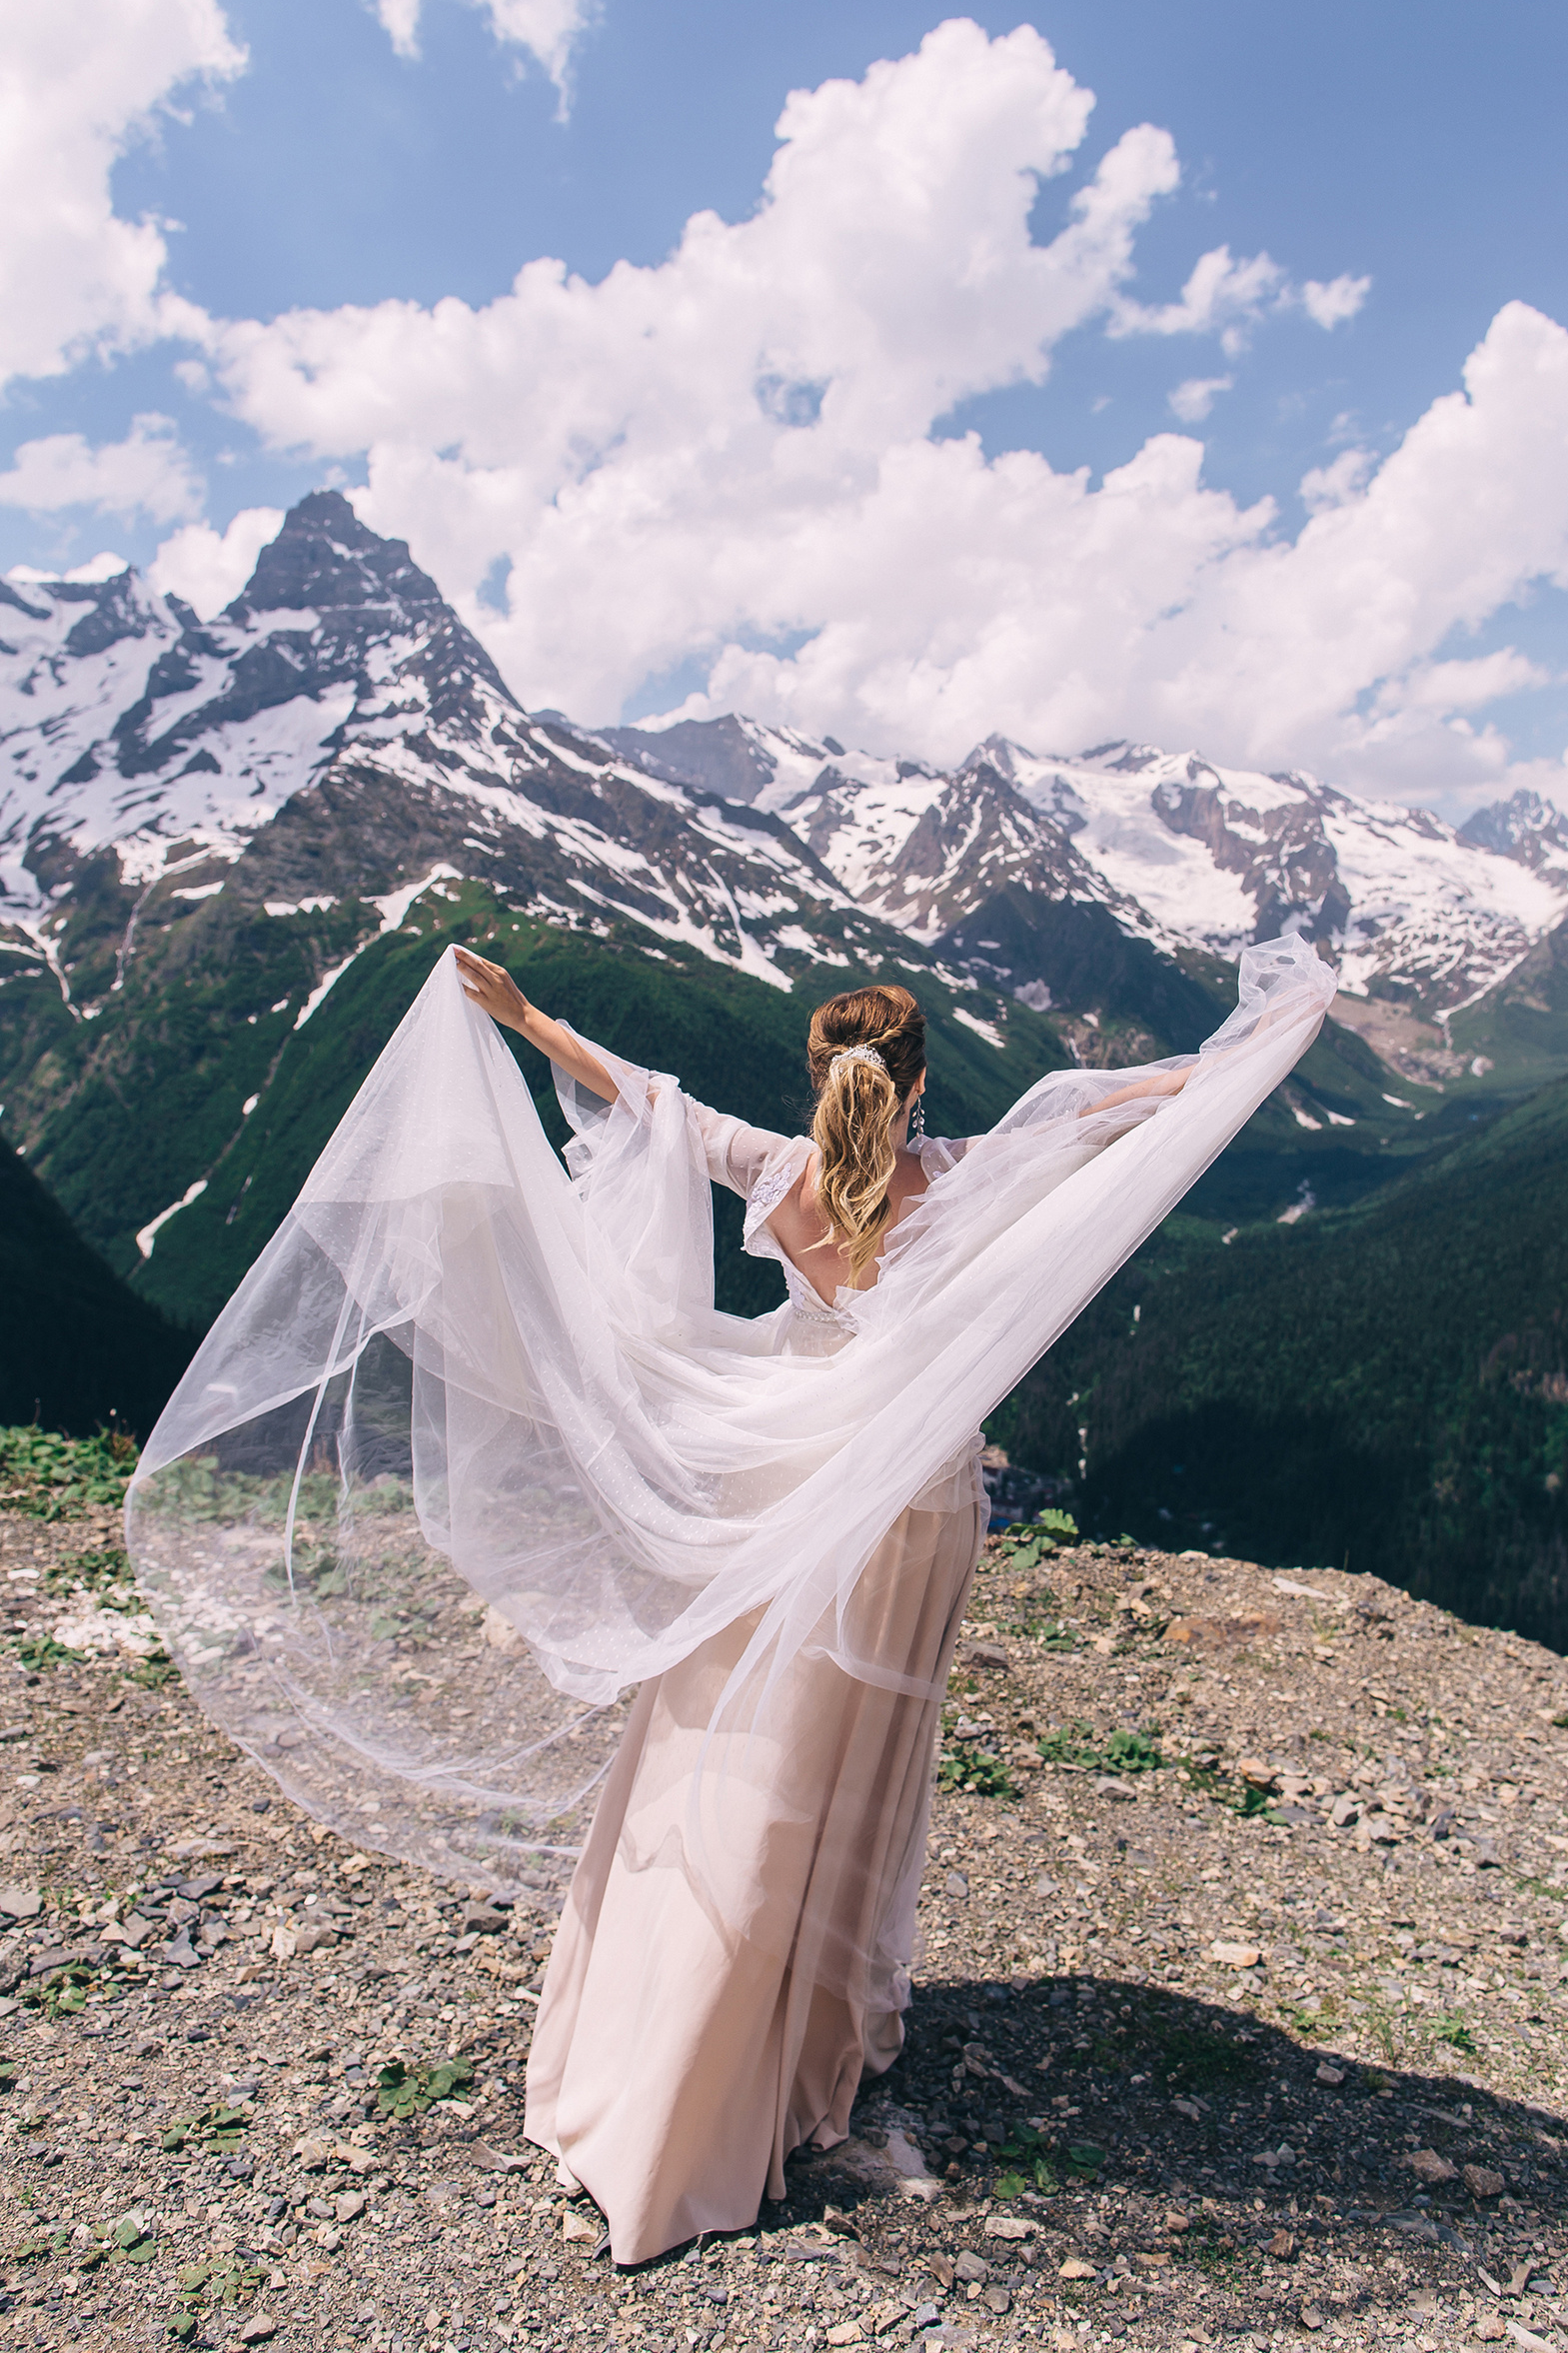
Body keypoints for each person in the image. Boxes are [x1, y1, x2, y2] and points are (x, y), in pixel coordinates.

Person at [126, 928, 1333, 2266]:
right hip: (915, 1512)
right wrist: (1244, 1051)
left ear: (821, 1077)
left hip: (780, 1495)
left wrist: (523, 1015)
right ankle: (800, 2038)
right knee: (858, 1766)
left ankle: (660, 2033)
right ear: (917, 1084)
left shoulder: (779, 1174)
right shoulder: (960, 1178)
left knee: (729, 1743)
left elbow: (643, 1097)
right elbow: (1103, 1113)